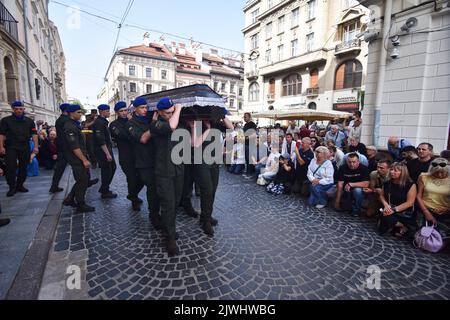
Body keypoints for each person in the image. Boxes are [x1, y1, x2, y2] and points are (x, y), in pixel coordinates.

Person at [149, 98, 183, 256]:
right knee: (168, 204)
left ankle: (169, 227)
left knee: (175, 203)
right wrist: (178, 109)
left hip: (177, 169)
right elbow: (172, 126)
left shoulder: (175, 120)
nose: (171, 114)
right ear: (160, 112)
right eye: (168, 113)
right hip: (164, 171)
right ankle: (170, 238)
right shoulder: (156, 124)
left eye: (172, 112)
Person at [190, 114, 234, 236]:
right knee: (207, 190)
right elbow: (195, 143)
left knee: (213, 190)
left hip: (214, 161)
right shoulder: (196, 123)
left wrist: (222, 113)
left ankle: (206, 216)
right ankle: (206, 222)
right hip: (201, 161)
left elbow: (231, 127)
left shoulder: (215, 123)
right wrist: (207, 129)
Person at [127, 98, 161, 225]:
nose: (145, 110)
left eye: (146, 107)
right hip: (143, 161)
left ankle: (133, 195)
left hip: (156, 158)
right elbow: (143, 139)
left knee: (152, 186)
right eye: (142, 108)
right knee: (152, 188)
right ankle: (154, 216)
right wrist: (153, 124)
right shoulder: (131, 124)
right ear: (135, 109)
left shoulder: (148, 119)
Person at [110, 101, 144, 211]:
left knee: (142, 178)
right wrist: (130, 122)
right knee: (132, 179)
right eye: (121, 111)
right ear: (116, 112)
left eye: (125, 110)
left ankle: (132, 195)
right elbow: (125, 135)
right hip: (125, 157)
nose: (124, 113)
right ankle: (134, 200)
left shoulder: (133, 121)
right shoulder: (114, 125)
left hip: (137, 155)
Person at [0, 101, 38, 197]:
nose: (18, 110)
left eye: (20, 109)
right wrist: (1, 146)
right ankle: (12, 187)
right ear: (13, 109)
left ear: (23, 109)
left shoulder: (29, 121)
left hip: (25, 146)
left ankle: (20, 185)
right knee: (10, 167)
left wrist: (36, 146)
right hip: (11, 146)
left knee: (23, 167)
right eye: (16, 109)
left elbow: (34, 134)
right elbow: (1, 134)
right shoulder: (5, 120)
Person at [62, 104, 95, 213]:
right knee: (82, 180)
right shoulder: (70, 126)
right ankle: (80, 204)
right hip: (76, 158)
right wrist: (84, 160)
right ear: (71, 113)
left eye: (81, 112)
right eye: (78, 112)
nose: (80, 114)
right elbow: (74, 146)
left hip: (80, 156)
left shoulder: (75, 124)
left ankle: (70, 198)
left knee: (83, 179)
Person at [378, 162, 417, 237]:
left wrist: (394, 210)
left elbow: (410, 202)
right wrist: (386, 205)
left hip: (403, 211)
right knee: (382, 229)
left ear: (402, 172)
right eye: (391, 169)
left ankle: (401, 226)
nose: (392, 172)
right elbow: (381, 196)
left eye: (396, 170)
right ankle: (400, 226)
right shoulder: (387, 183)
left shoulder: (410, 184)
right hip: (389, 208)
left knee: (389, 223)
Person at [416, 158, 450, 236]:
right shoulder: (424, 176)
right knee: (424, 235)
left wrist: (448, 209)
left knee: (441, 236)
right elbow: (418, 196)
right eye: (436, 172)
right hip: (425, 209)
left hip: (445, 212)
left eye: (442, 172)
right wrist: (426, 212)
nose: (439, 175)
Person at [334, 153, 370, 217]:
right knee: (344, 207)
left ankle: (356, 210)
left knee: (357, 191)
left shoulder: (364, 168)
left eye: (354, 162)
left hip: (358, 189)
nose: (351, 164)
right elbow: (340, 184)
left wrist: (351, 184)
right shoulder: (342, 168)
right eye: (349, 162)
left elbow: (366, 184)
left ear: (358, 161)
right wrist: (337, 201)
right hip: (346, 190)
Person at [93, 104, 117, 199]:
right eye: (107, 111)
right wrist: (107, 154)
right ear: (101, 112)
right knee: (107, 170)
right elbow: (100, 140)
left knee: (112, 168)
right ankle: (105, 191)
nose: (109, 112)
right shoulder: (99, 123)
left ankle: (104, 188)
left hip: (107, 149)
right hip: (103, 151)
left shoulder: (103, 121)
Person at [49, 103, 71, 193]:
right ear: (67, 110)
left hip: (62, 145)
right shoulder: (66, 120)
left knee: (60, 167)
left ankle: (54, 186)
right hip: (66, 146)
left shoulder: (60, 119)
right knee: (81, 163)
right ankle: (86, 181)